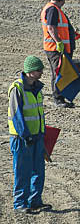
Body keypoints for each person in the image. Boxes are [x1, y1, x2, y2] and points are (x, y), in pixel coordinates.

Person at [8, 56, 51, 214]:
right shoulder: (17, 89)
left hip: (37, 137)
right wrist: (26, 136)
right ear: (29, 71)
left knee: (38, 171)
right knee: (22, 172)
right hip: (22, 139)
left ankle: (34, 201)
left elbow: (39, 114)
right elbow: (16, 115)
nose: (41, 72)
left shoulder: (37, 88)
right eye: (38, 70)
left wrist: (42, 134)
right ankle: (20, 203)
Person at [41, 0, 78, 108]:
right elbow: (51, 28)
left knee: (61, 72)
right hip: (55, 48)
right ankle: (58, 99)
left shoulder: (53, 8)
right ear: (63, 0)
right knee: (58, 73)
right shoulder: (52, 9)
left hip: (57, 48)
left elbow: (60, 27)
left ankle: (61, 97)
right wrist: (58, 42)